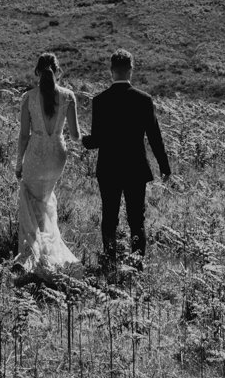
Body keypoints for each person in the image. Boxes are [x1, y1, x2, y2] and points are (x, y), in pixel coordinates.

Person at [82, 47, 171, 260]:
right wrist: (164, 166)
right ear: (131, 70)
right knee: (136, 219)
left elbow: (97, 140)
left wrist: (84, 140)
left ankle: (109, 260)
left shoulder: (100, 100)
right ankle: (137, 263)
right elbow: (154, 137)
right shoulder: (143, 99)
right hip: (135, 167)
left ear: (111, 71)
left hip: (109, 167)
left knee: (110, 216)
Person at [14, 51, 82, 274]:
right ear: (58, 71)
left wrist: (18, 163)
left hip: (36, 154)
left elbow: (24, 135)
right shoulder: (68, 96)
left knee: (31, 198)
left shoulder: (29, 98)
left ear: (36, 71)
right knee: (44, 198)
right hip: (57, 156)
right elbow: (74, 135)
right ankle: (44, 245)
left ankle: (32, 252)